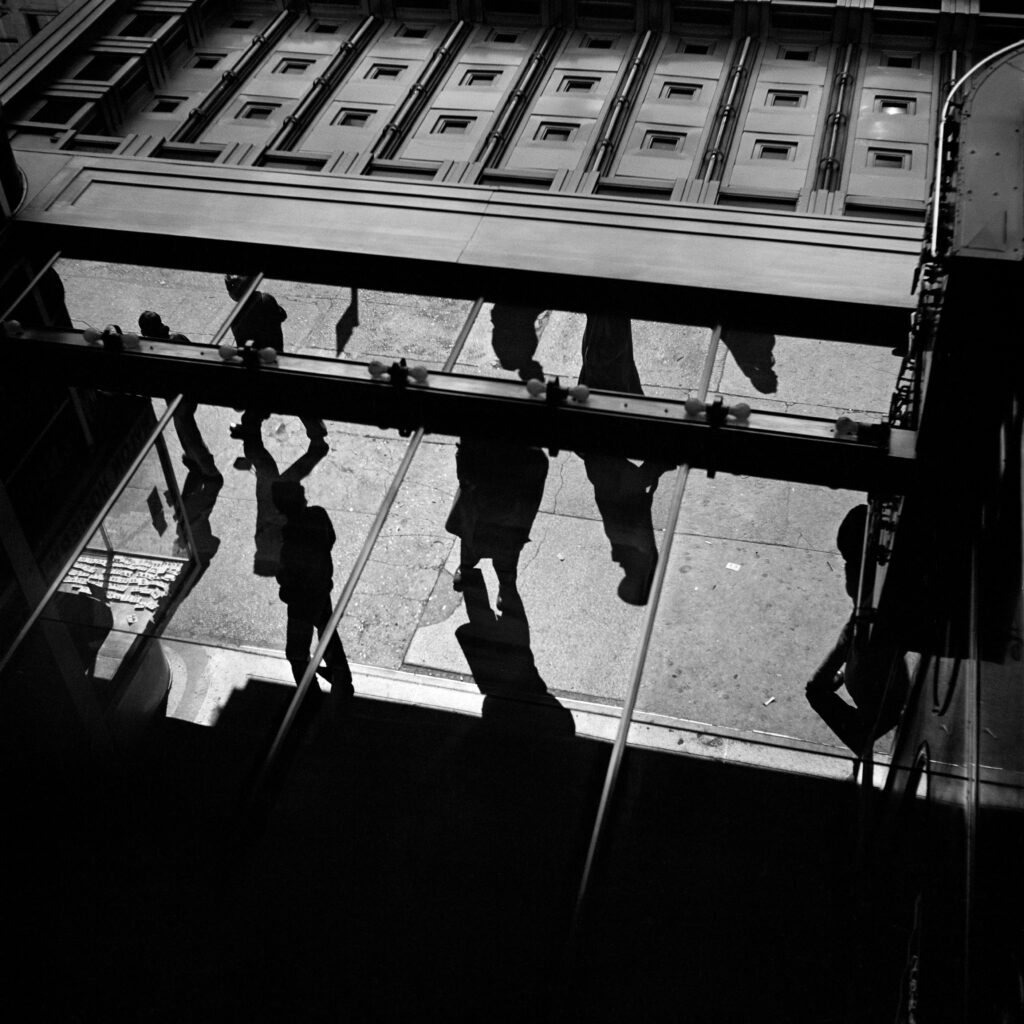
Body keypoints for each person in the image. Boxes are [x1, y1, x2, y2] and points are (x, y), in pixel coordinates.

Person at [805, 505, 909, 754]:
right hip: (883, 686)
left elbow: (851, 639)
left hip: (878, 695)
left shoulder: (871, 603)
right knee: (820, 687)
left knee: (815, 689)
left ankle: (862, 735)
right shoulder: (884, 585)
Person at [271, 479, 353, 700]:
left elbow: (287, 577)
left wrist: (284, 588)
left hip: (301, 602)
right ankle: (342, 680)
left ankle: (309, 696)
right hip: (322, 588)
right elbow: (331, 539)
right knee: (327, 633)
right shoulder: (318, 515)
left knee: (296, 653)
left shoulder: (289, 536)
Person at [223, 274, 328, 445]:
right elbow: (282, 315)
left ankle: (251, 429)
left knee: (258, 405)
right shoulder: (266, 299)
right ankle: (316, 428)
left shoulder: (236, 318)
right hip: (278, 355)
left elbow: (244, 347)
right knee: (293, 394)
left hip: (259, 366)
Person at [445, 436, 548, 610]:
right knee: (471, 533)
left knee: (507, 545)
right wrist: (464, 471)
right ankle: (467, 567)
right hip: (479, 473)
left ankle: (507, 586)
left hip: (517, 477)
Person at [138, 310, 220, 479]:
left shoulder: (153, 350)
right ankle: (190, 456)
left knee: (188, 430)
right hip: (190, 391)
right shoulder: (177, 338)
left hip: (178, 397)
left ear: (145, 331)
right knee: (182, 425)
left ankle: (208, 468)